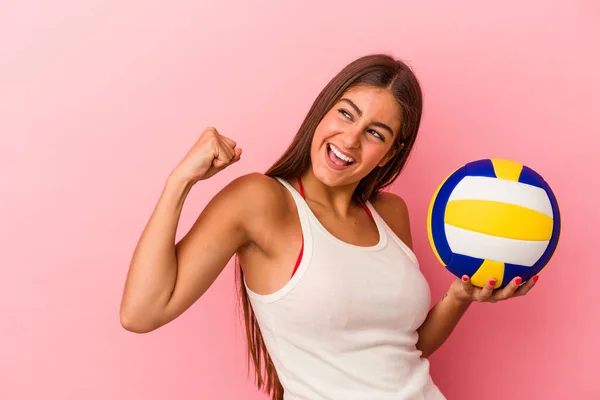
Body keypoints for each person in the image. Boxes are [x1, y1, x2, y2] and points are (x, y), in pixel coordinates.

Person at [119, 54, 538, 400]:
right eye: (345, 114)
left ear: (392, 153)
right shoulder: (263, 201)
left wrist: (460, 295)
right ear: (324, 110)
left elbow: (401, 350)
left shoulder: (390, 213)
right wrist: (180, 181)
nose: (350, 139)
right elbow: (141, 313)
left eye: (375, 132)